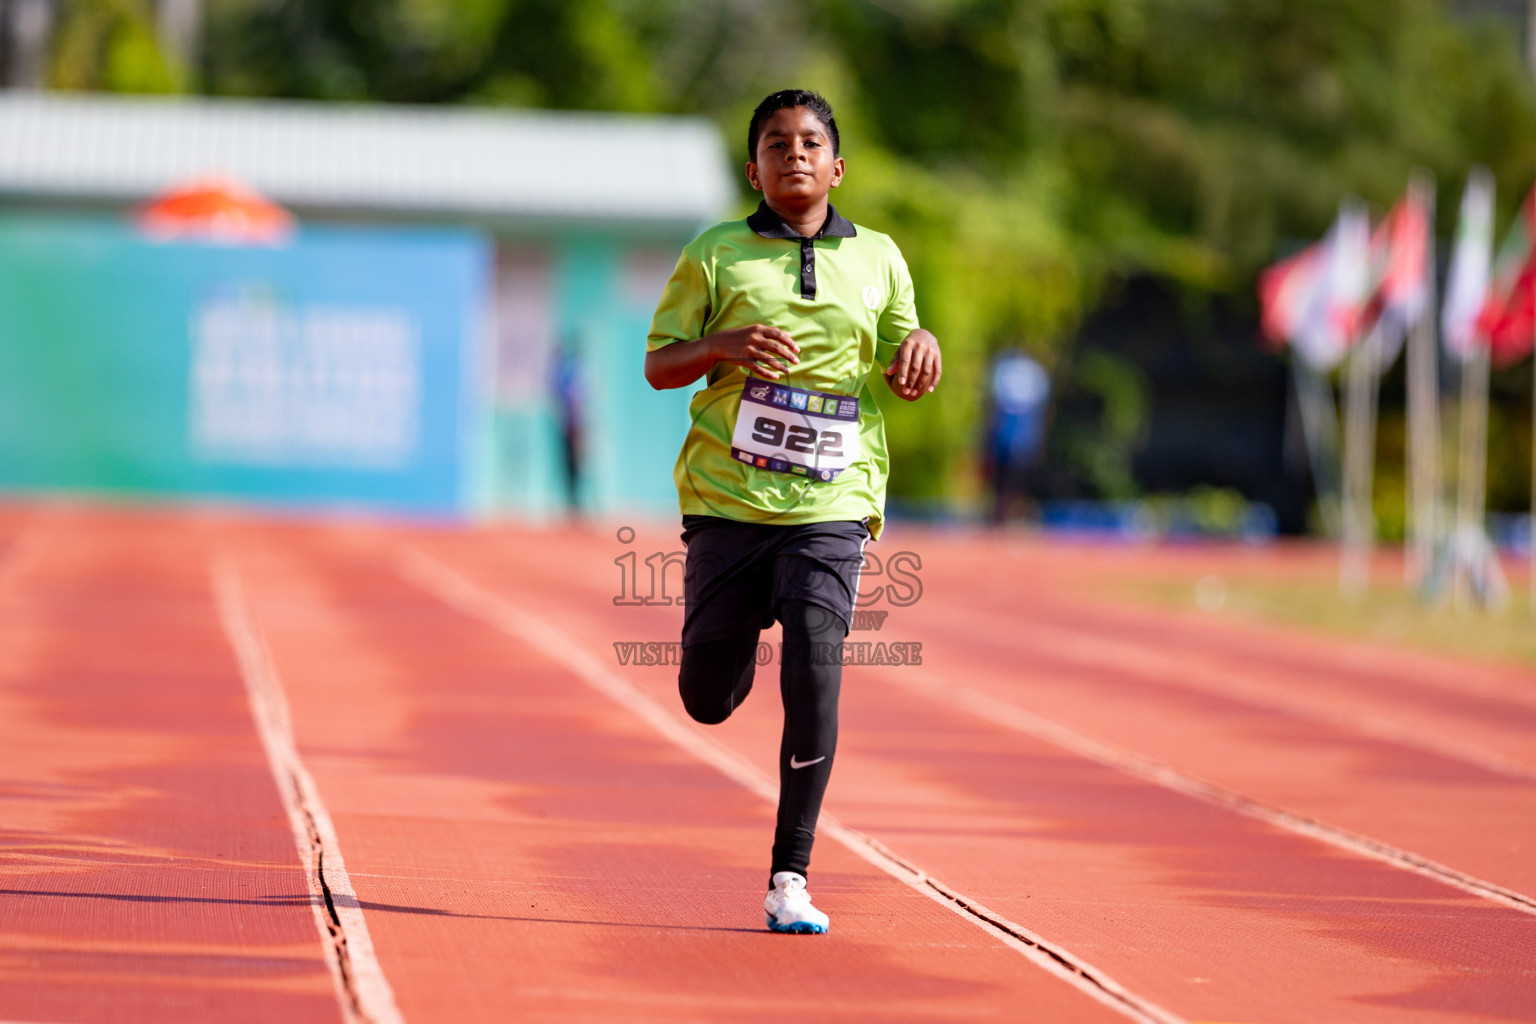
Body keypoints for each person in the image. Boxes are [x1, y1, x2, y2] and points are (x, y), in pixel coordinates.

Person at [645, 89, 941, 934]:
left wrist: (921, 350)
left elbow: (902, 346)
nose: (796, 154)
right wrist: (720, 347)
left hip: (832, 500)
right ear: (755, 169)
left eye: (811, 142)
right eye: (777, 144)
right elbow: (660, 366)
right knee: (707, 698)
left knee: (815, 666)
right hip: (728, 503)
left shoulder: (880, 257)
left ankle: (790, 876)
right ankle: (735, 644)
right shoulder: (715, 254)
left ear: (837, 166)